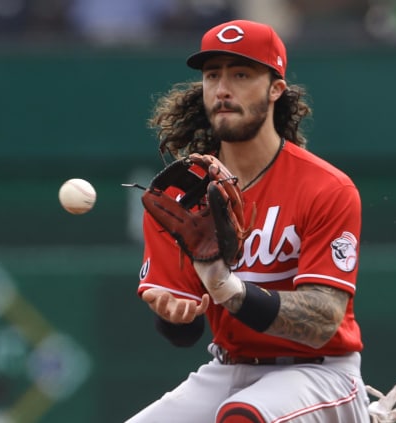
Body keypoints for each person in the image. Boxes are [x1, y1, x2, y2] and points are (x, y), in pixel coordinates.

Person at [128, 19, 379, 423]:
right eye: (213, 75)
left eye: (241, 74)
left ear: (276, 88)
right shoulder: (180, 195)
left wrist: (226, 287)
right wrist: (175, 314)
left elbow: (321, 321)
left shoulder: (326, 186)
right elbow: (183, 334)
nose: (223, 88)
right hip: (230, 367)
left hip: (320, 371)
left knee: (243, 417)